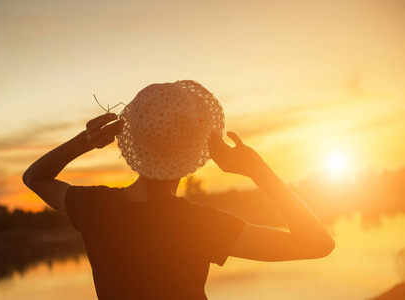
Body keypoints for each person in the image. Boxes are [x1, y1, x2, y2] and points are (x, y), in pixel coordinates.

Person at [23, 80, 335, 300]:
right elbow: (317, 245)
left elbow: (35, 178)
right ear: (195, 150)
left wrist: (84, 141)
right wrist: (257, 169)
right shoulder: (199, 225)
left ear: (135, 141)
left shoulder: (96, 208)